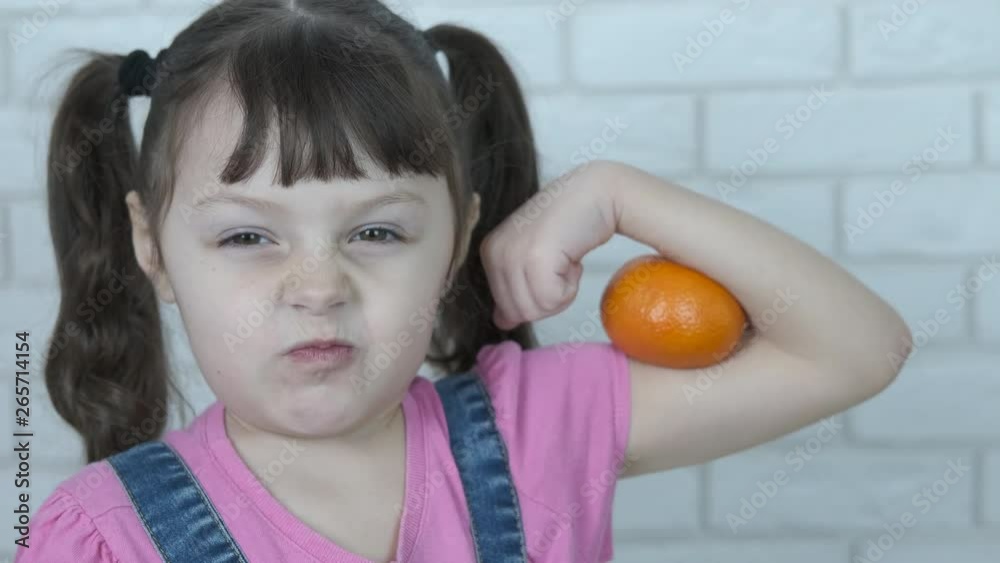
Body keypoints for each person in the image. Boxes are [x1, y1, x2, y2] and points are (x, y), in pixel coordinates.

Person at [16, 1, 912, 561]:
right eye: (248, 235)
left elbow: (857, 350)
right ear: (154, 247)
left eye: (377, 231)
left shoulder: (537, 430)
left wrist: (618, 192)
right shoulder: (101, 537)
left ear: (455, 241)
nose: (318, 287)